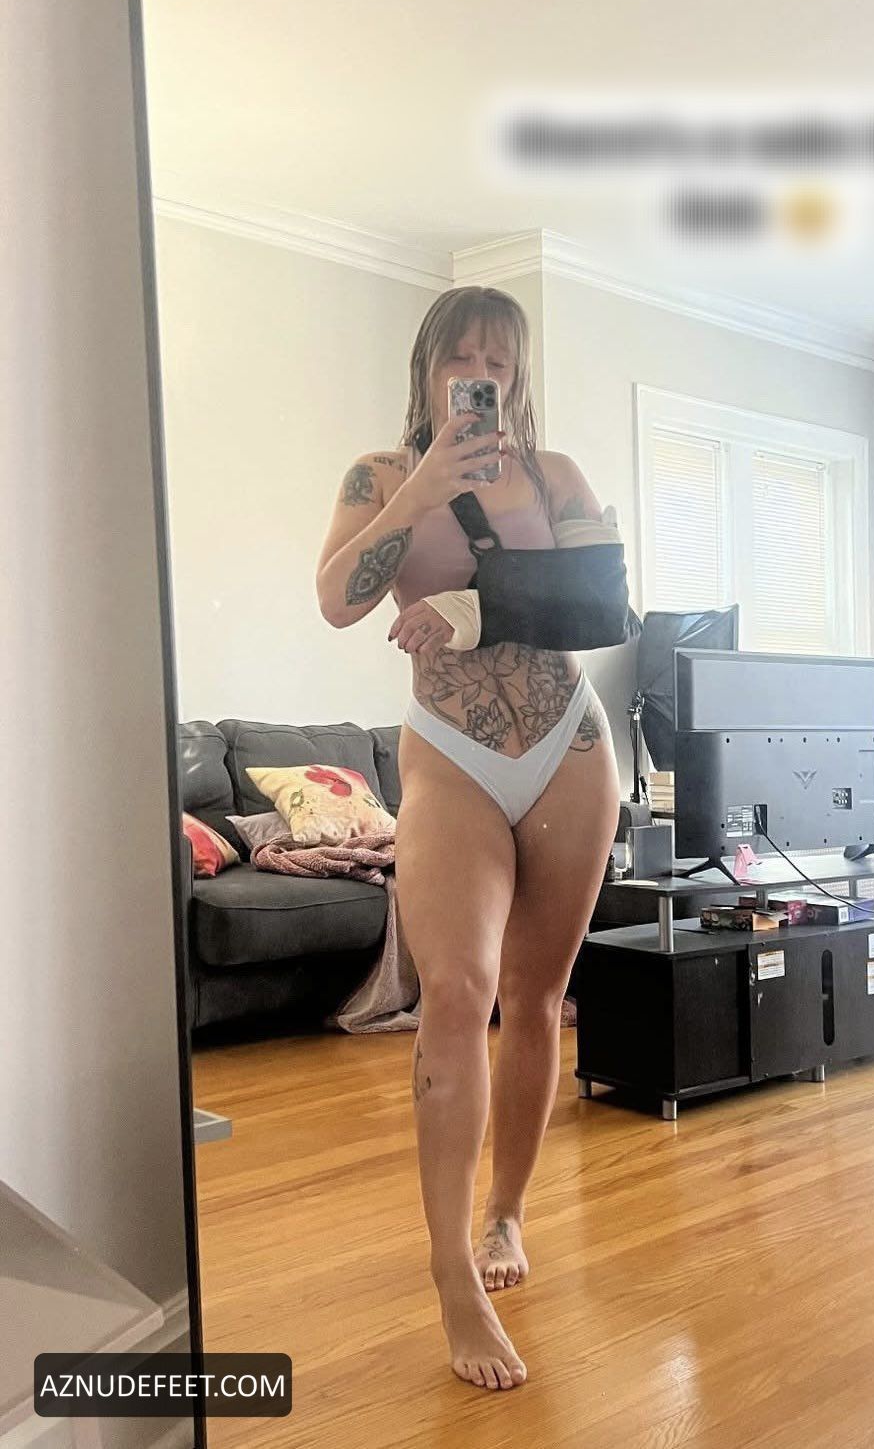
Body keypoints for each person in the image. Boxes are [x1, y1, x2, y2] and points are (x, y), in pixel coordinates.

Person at [315, 286, 620, 1391]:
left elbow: (602, 607)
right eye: (462, 357)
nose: (479, 374)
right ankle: (451, 1271)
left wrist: (478, 608)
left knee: (536, 998)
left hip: (567, 748)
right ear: (429, 367)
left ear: (517, 373)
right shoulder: (378, 476)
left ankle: (505, 1214)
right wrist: (424, 491)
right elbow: (337, 600)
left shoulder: (558, 476)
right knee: (454, 990)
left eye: (498, 359)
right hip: (451, 755)